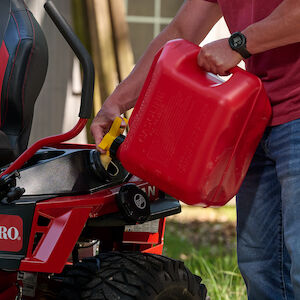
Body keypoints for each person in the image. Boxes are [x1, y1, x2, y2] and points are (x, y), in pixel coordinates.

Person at [91, 1, 300, 299]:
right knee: (263, 269)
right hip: (258, 120)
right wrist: (116, 103)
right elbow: (180, 31)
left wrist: (238, 44)